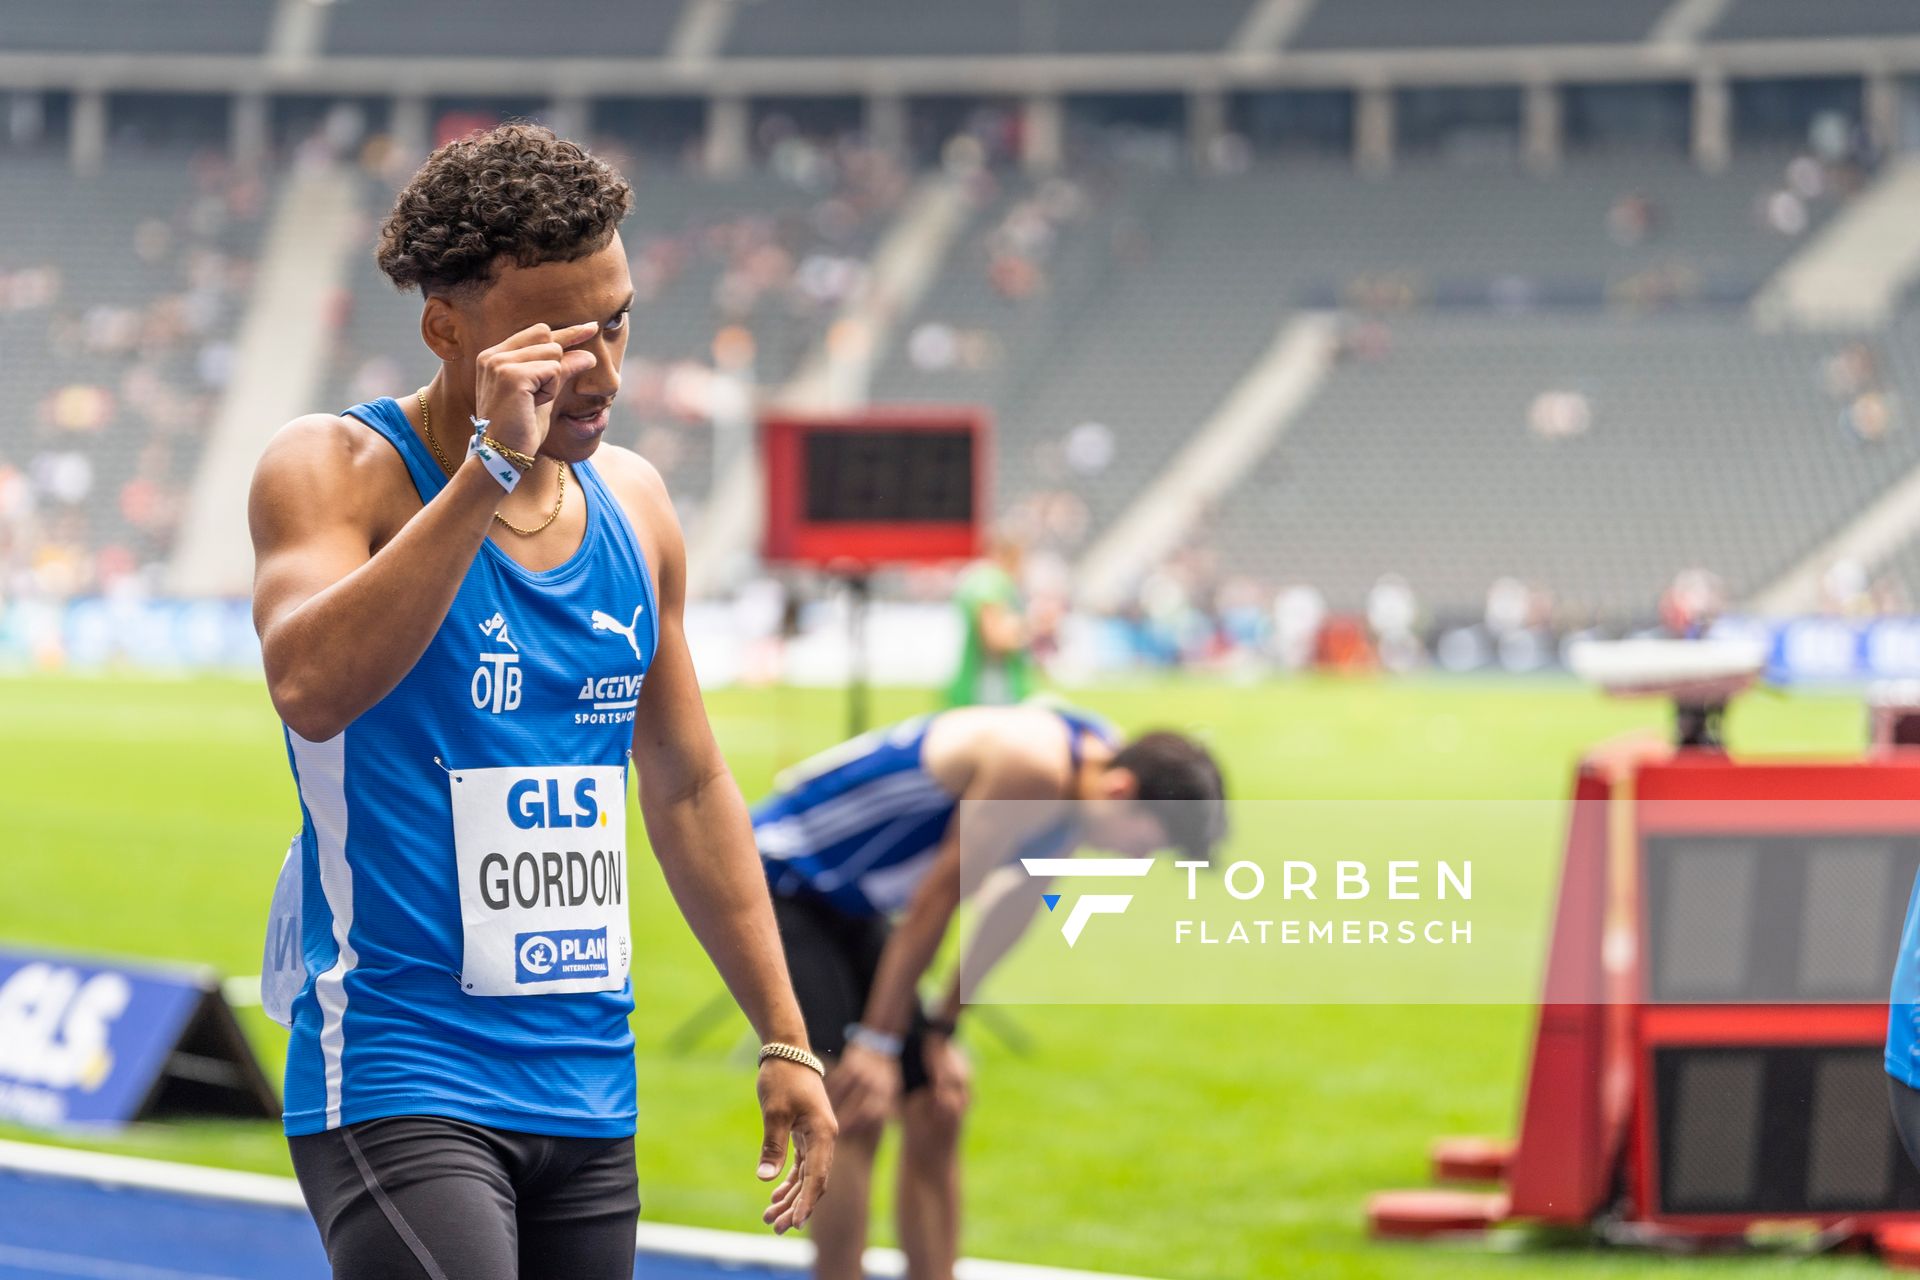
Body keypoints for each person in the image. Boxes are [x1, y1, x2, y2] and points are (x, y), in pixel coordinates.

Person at [247, 124, 835, 1280]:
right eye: (557, 342)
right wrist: (486, 472)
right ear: (446, 328)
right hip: (399, 1063)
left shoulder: (639, 507)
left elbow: (688, 779)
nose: (603, 372)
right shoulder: (331, 470)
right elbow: (311, 687)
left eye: (615, 323)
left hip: (583, 1082)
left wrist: (787, 1034)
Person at [753, 702, 1225, 1279]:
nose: (1139, 858)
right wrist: (877, 1043)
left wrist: (945, 1028)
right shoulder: (1034, 766)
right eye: (1147, 843)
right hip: (783, 878)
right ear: (1123, 790)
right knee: (855, 1102)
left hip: (854, 902)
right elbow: (936, 899)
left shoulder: (1091, 775)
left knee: (938, 1103)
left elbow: (1021, 901)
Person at [943, 536, 1034, 707]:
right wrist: (1024, 631)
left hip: (965, 679)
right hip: (987, 686)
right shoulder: (991, 581)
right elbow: (994, 636)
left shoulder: (973, 577)